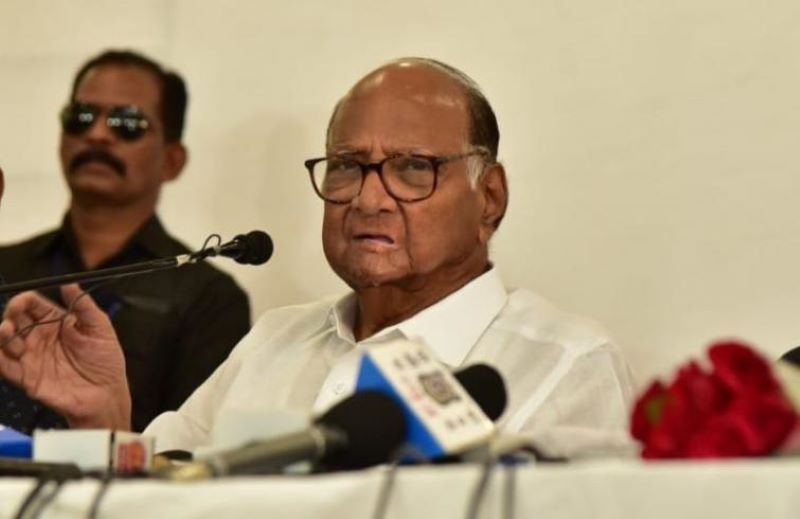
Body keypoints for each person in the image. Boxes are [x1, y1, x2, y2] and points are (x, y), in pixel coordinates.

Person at [0, 58, 634, 457]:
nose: (369, 198)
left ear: (489, 197)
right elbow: (167, 492)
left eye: (413, 168)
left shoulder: (567, 364)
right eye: (348, 166)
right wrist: (104, 419)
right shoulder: (275, 340)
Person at [0, 50, 250, 433]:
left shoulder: (208, 297)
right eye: (82, 117)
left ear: (172, 160)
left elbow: (191, 448)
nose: (97, 134)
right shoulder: (6, 267)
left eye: (127, 123)